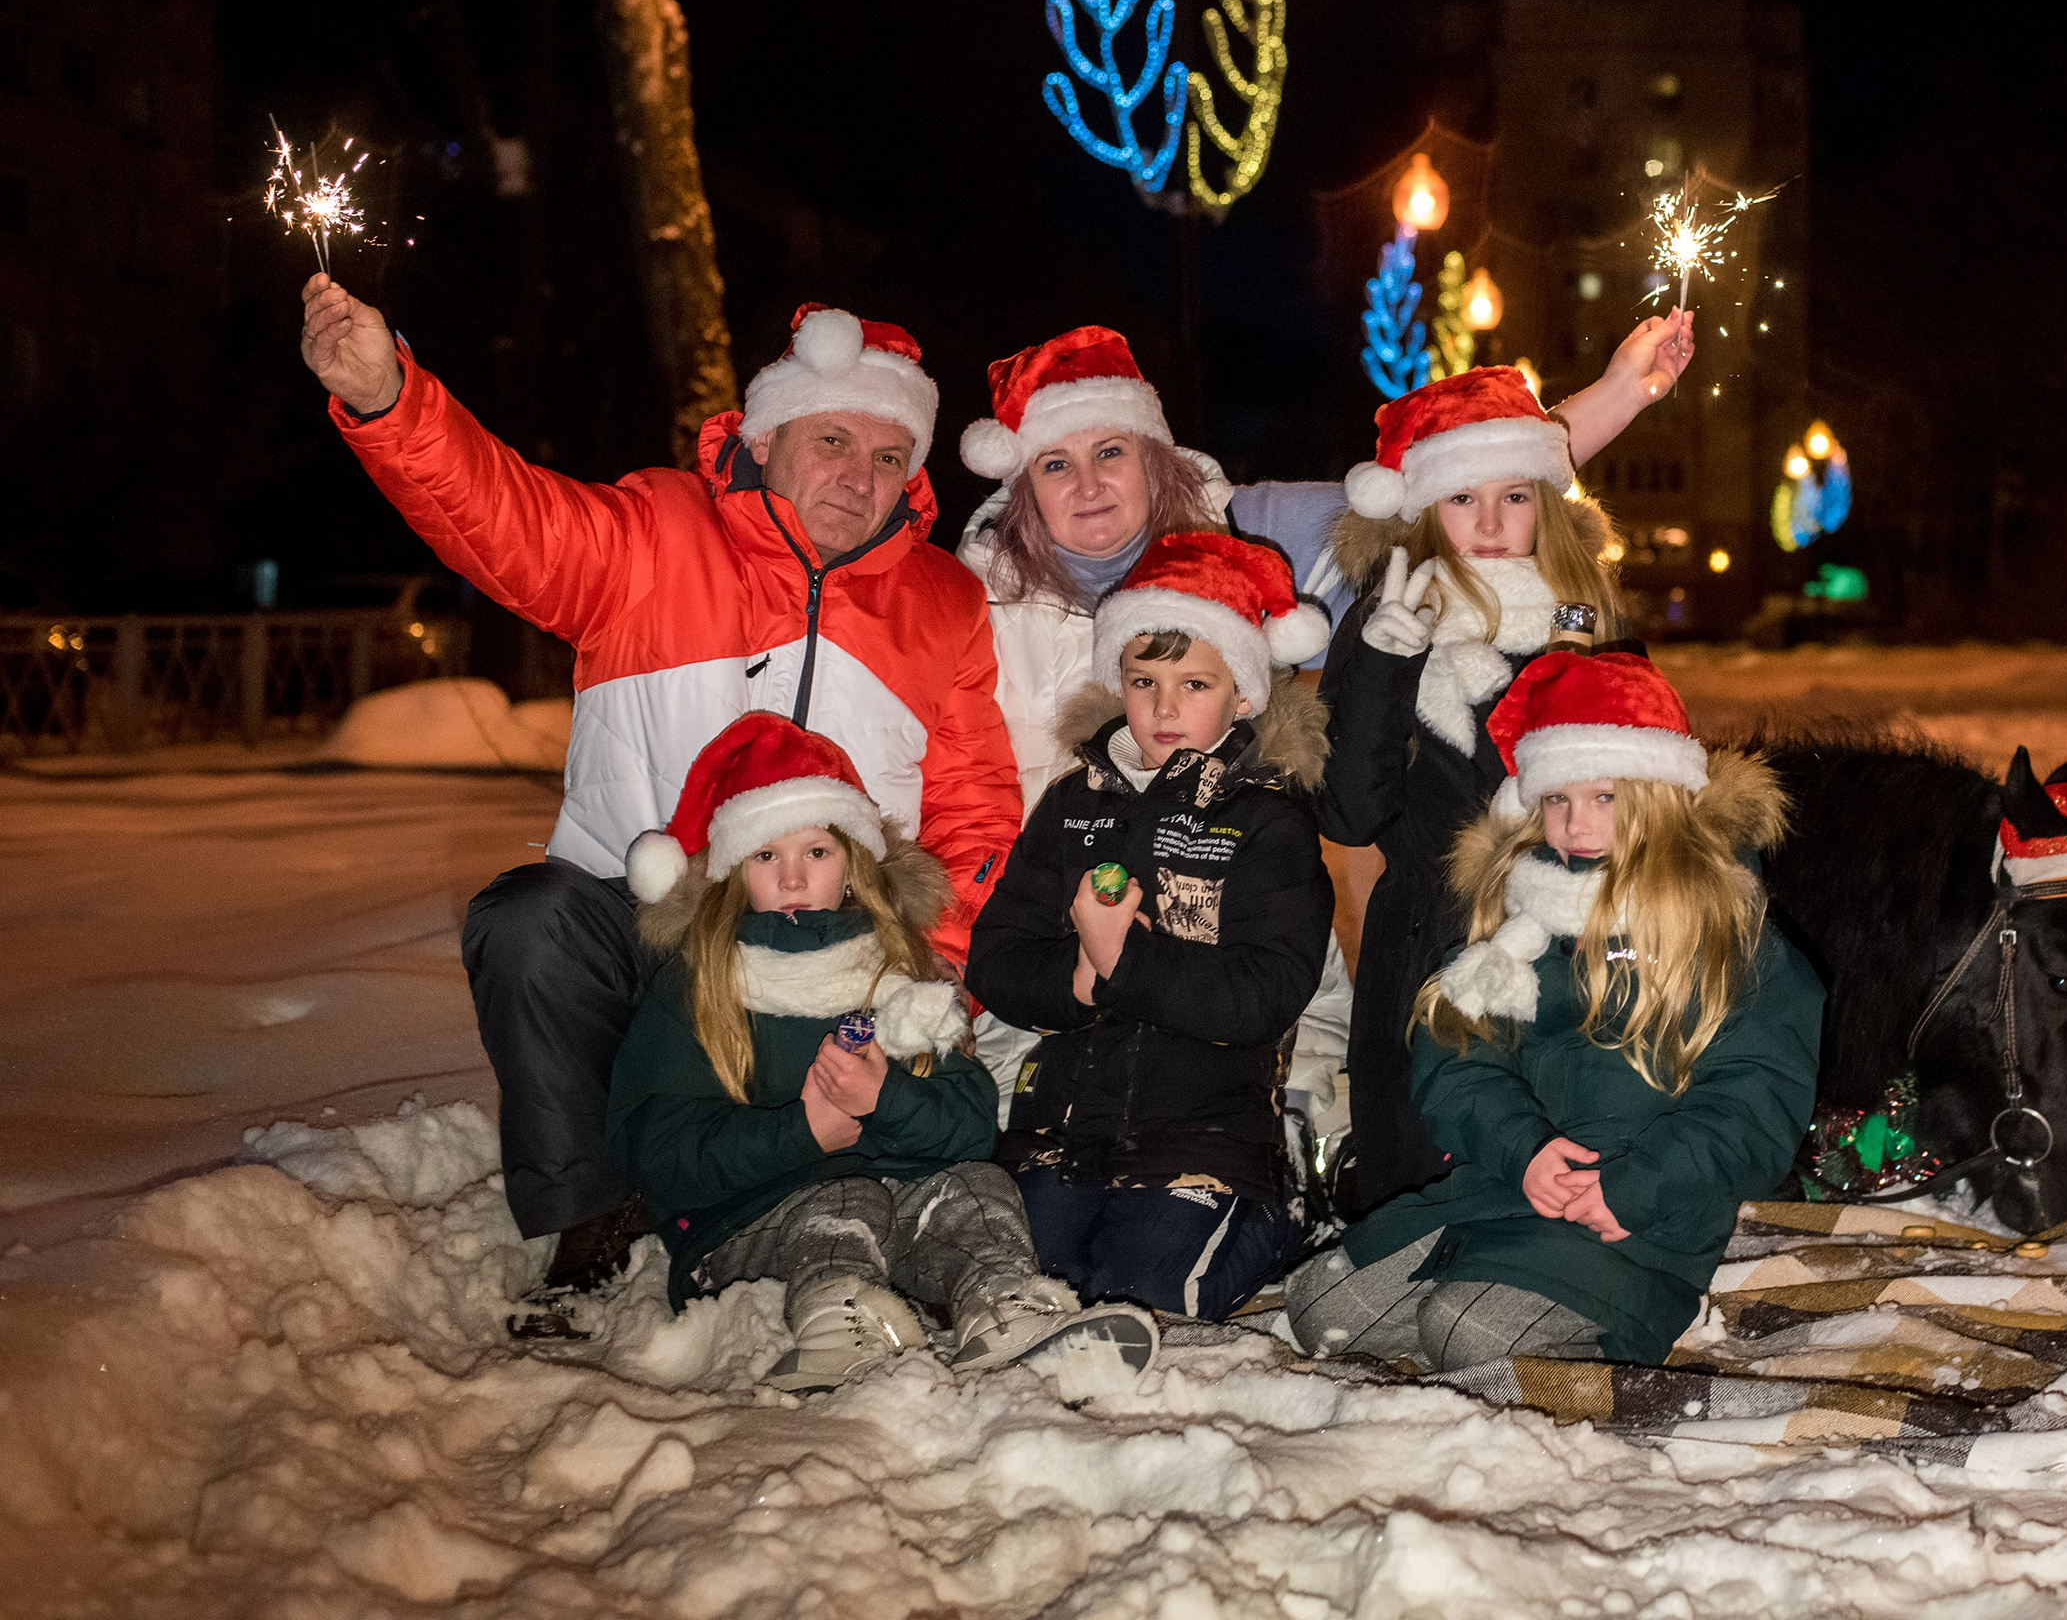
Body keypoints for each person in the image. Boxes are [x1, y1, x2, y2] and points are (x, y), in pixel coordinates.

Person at [299, 280, 1020, 1316]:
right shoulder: (656, 532)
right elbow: (506, 516)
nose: (860, 478)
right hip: (646, 927)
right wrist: (388, 401)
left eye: (889, 456)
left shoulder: (944, 603)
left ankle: (810, 1187)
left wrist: (929, 973)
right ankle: (589, 1215)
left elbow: (974, 812)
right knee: (526, 920)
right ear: (765, 438)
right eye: (831, 442)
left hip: (829, 943)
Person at [952, 319, 1693, 1133]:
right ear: (1020, 482)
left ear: (1155, 455)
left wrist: (1621, 393)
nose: (1088, 483)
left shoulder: (1248, 529)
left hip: (1231, 931)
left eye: (1112, 453)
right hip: (1051, 933)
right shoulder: (971, 600)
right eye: (1056, 462)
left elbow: (1448, 484)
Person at [1285, 649, 1823, 1370]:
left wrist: (1633, 1187)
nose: (1577, 822)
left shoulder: (1723, 926)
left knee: (1466, 1331)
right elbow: (1457, 1060)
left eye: (1604, 797)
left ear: (1657, 792)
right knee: (1319, 1310)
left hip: (1642, 1217)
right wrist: (1523, 1149)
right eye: (1557, 800)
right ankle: (1496, 1298)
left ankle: (1566, 1336)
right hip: (1507, 1187)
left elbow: (1757, 1101)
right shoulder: (1520, 921)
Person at [608, 712, 1153, 1392]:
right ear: (730, 872)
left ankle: (1006, 1312)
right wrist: (800, 1132)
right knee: (838, 1208)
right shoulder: (697, 984)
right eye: (765, 856)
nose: (794, 878)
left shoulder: (896, 969)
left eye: (817, 852)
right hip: (748, 1225)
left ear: (855, 862)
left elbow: (970, 1124)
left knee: (978, 1190)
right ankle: (837, 1328)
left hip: (897, 1202)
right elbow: (660, 1152)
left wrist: (885, 1100)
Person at [967, 533, 1335, 1318]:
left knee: (1137, 1293)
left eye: (1194, 683)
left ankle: (1287, 1215)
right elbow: (996, 960)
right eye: (1144, 681)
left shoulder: (1268, 823)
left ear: (1242, 695)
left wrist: (1124, 960)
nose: (1165, 708)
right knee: (1034, 1286)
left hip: (1208, 1141)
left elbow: (1263, 994)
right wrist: (1076, 978)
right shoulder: (1072, 805)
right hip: (1061, 1130)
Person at [1316, 360, 1652, 1215]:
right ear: (1427, 508)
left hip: (1576, 937)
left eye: (1515, 494)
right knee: (1424, 1200)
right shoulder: (1389, 614)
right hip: (1428, 943)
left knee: (1566, 1169)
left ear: (1546, 498)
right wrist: (1387, 667)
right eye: (1464, 499)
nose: (1493, 523)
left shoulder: (1593, 619)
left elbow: (1648, 788)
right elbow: (1350, 813)